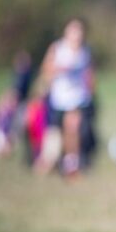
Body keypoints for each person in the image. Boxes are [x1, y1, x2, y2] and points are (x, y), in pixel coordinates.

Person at [40, 18, 96, 177]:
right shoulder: (57, 48)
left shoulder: (85, 51)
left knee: (73, 127)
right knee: (57, 135)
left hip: (78, 98)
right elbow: (46, 70)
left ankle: (72, 163)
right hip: (60, 98)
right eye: (74, 32)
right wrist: (58, 69)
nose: (77, 36)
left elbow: (90, 73)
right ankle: (57, 162)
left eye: (79, 32)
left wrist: (90, 88)